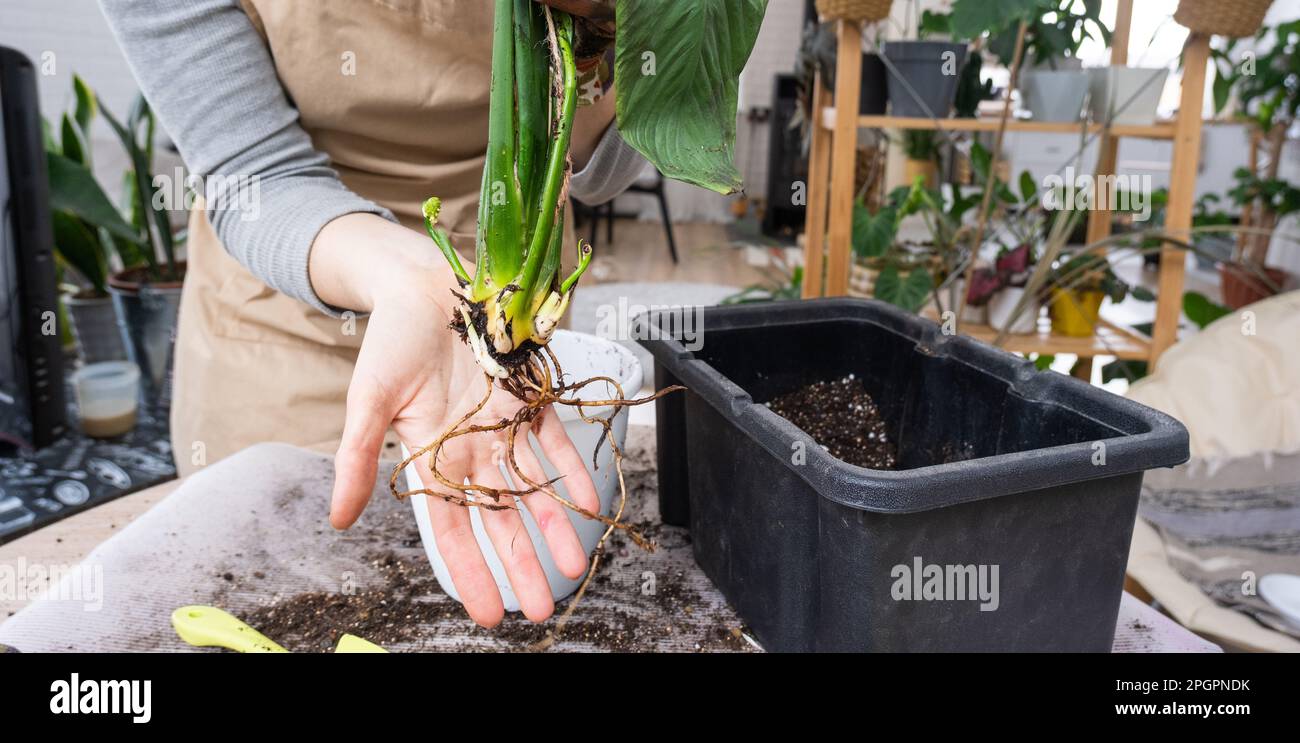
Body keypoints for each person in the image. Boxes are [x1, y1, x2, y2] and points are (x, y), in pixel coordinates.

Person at [99, 0, 643, 627]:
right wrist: (411, 280)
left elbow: (605, 169)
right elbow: (252, 173)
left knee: (516, 586)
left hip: (497, 340)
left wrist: (600, 20)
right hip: (286, 320)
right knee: (294, 601)